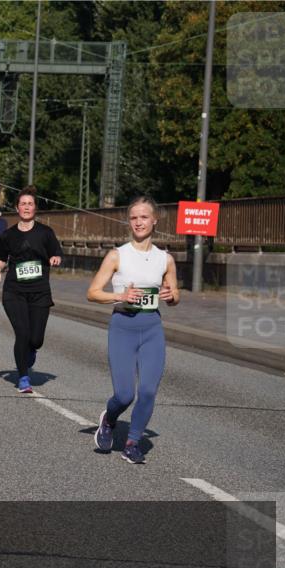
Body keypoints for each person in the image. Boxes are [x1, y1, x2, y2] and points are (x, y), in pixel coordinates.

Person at [87, 195, 179, 464]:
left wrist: (170, 295)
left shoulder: (166, 259)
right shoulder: (117, 255)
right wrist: (120, 297)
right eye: (134, 218)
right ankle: (109, 419)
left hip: (152, 328)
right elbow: (92, 293)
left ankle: (132, 442)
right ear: (129, 222)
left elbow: (175, 296)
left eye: (144, 217)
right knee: (125, 394)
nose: (139, 222)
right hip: (123, 328)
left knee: (148, 390)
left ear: (154, 221)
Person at [0, 186, 63, 393]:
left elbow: (55, 252)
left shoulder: (45, 233)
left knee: (36, 339)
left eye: (30, 204)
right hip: (14, 291)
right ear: (17, 208)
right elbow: (1, 259)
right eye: (23, 204)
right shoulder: (7, 235)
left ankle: (31, 350)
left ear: (35, 208)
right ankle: (23, 377)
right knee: (22, 333)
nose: (27, 207)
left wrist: (55, 258)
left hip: (40, 291)